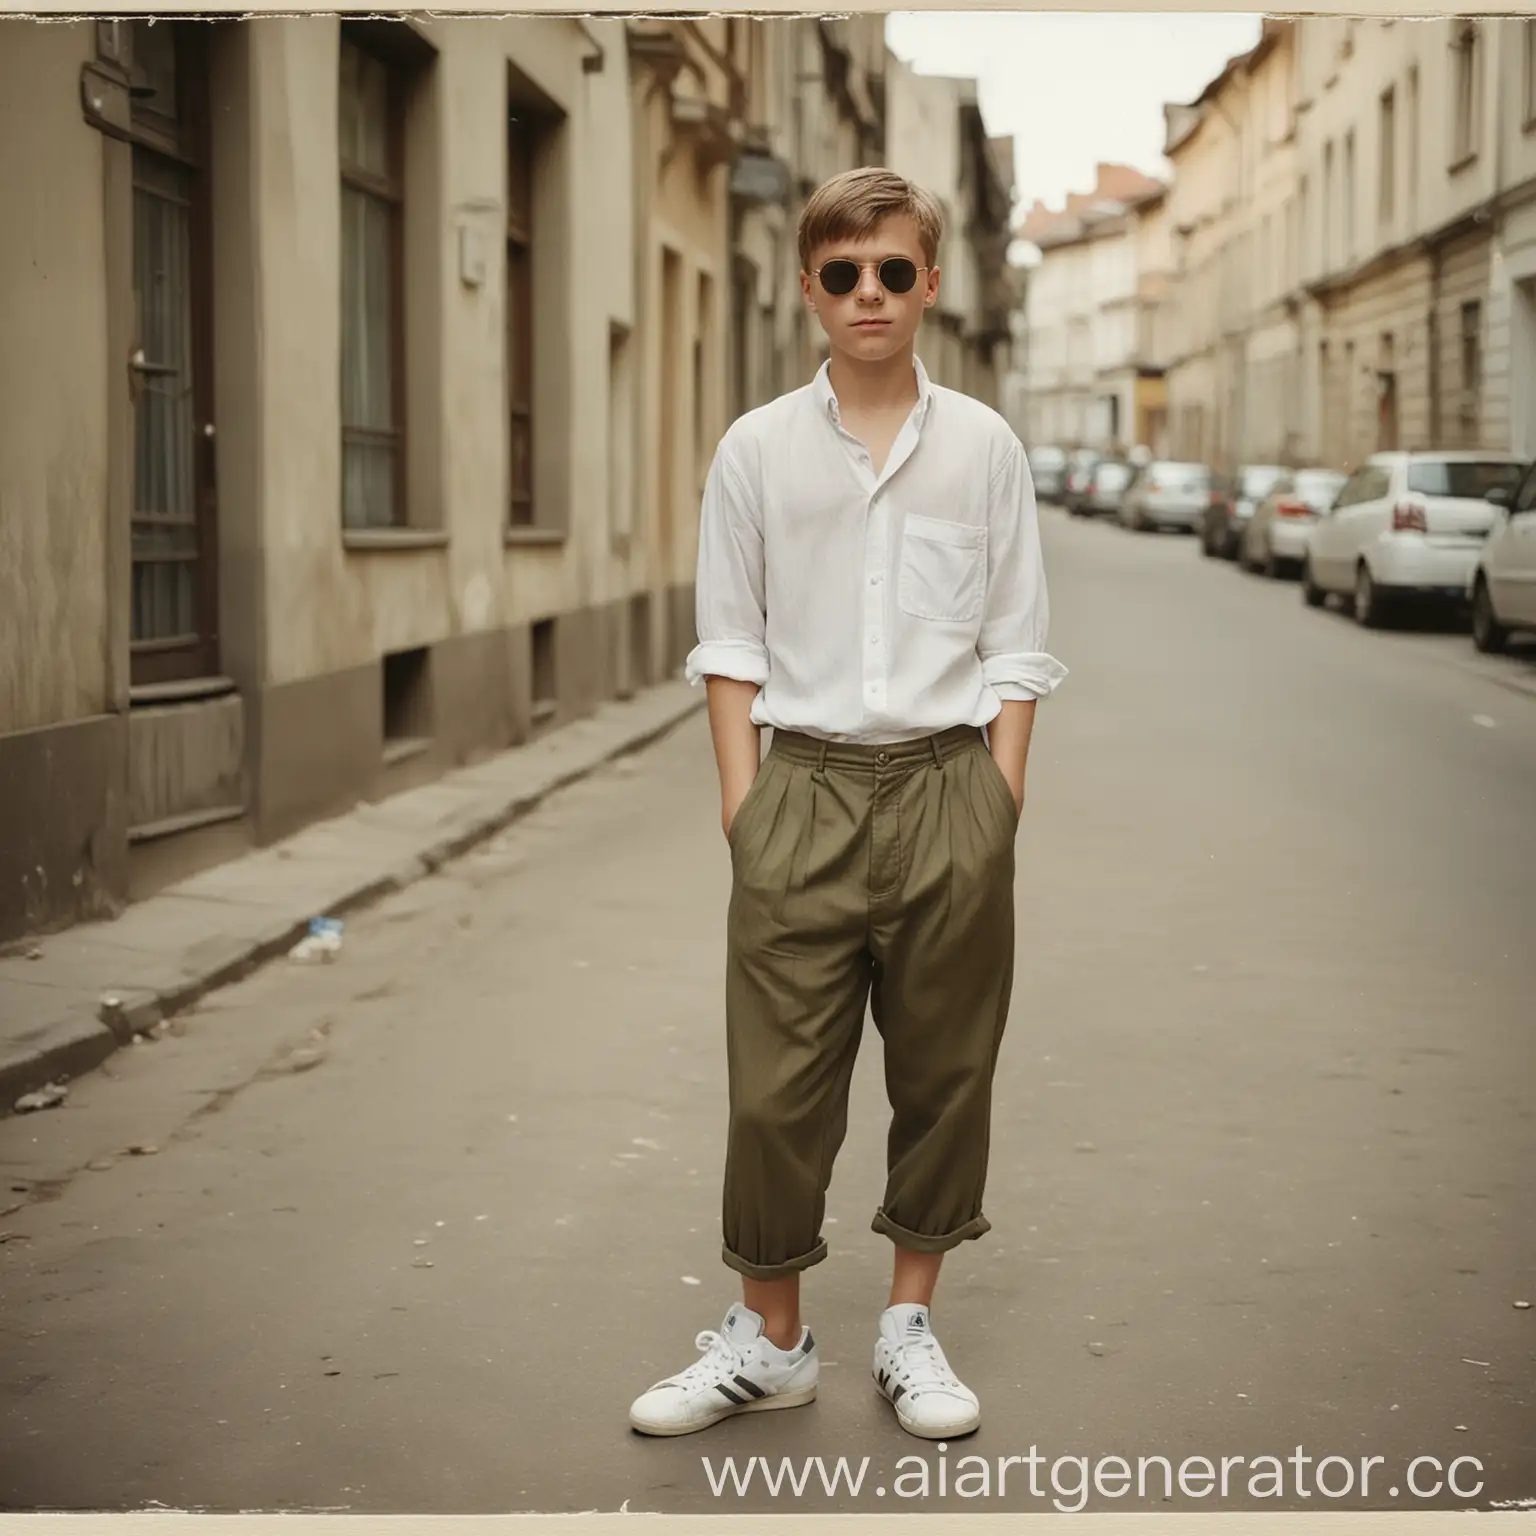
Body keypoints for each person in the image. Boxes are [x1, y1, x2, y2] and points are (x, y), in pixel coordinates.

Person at [628, 167, 1067, 1442]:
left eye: (890, 270)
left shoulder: (983, 445)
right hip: (802, 790)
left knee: (944, 1076)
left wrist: (998, 802)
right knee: (775, 1096)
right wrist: (743, 809)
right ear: (810, 286)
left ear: (930, 283)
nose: (866, 293)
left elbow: (1016, 643)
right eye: (841, 272)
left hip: (946, 785)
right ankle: (769, 1343)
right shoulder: (756, 448)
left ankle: (910, 1328)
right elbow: (729, 644)